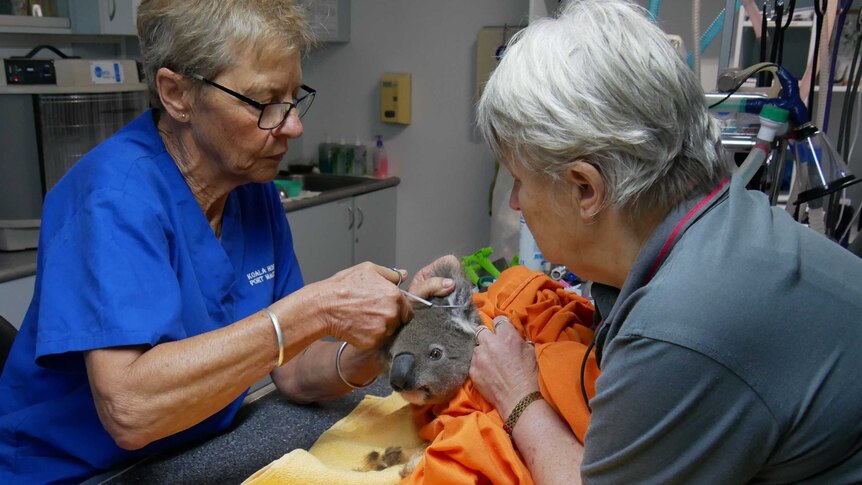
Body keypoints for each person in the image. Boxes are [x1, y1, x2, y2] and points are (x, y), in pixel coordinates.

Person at [0, 1, 453, 483]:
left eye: (294, 99)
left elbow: (294, 370)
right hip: (80, 472)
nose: (293, 125)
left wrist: (382, 347)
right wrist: (318, 308)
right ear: (177, 95)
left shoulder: (250, 187)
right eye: (263, 103)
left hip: (191, 450)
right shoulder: (112, 199)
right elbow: (131, 411)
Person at [470, 0, 862, 483]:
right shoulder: (726, 219)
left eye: (518, 180)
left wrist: (517, 395)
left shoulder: (683, 326)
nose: (514, 203)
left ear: (585, 189)